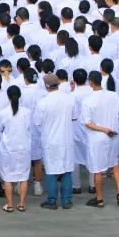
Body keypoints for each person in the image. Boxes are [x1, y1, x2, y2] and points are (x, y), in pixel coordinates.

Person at [34, 74, 78, 210]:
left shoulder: (43, 102)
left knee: (51, 170)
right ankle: (66, 200)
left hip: (51, 140)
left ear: (46, 86)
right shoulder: (69, 99)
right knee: (67, 170)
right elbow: (74, 117)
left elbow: (37, 122)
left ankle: (52, 200)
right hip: (66, 139)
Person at [82, 71, 119, 208]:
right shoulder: (114, 96)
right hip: (113, 136)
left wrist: (103, 129)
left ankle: (99, 199)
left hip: (97, 138)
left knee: (97, 169)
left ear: (90, 82)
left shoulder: (88, 100)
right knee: (114, 164)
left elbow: (88, 123)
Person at [0, 85, 32, 213]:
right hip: (23, 147)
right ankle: (21, 204)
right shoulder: (27, 112)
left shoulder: (3, 113)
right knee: (23, 176)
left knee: (7, 177)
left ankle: (10, 205)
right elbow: (29, 128)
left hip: (8, 148)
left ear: (8, 97)